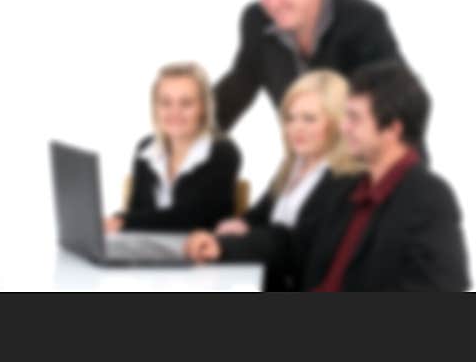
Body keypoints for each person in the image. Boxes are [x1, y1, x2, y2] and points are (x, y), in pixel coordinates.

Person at [192, 61, 470, 291]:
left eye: (354, 118)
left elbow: (441, 290)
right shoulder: (351, 187)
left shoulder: (429, 197)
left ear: (393, 130)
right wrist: (222, 247)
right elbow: (291, 244)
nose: (344, 127)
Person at [185, 70, 362, 290]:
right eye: (290, 118)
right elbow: (260, 216)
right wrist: (240, 224)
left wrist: (228, 245)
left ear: (337, 123)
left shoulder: (348, 179)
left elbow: (295, 245)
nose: (296, 128)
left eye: (309, 118)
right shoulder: (293, 165)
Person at [214, 0, 404, 132]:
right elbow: (238, 87)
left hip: (366, 153)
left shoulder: (363, 22)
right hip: (310, 155)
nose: (272, 4)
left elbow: (395, 104)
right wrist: (188, 138)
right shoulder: (257, 21)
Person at [104, 62, 240, 233]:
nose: (174, 112)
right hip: (149, 250)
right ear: (155, 107)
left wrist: (123, 220)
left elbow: (195, 218)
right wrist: (118, 221)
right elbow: (136, 211)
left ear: (204, 108)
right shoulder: (146, 149)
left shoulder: (223, 152)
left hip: (199, 254)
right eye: (165, 103)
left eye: (186, 103)